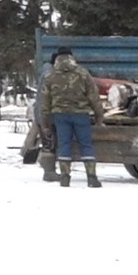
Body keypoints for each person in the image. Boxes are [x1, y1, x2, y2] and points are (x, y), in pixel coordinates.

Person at [37, 47, 103, 188]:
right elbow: (94, 97)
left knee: (64, 145)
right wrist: (99, 117)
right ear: (72, 57)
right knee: (86, 145)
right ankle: (92, 178)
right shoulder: (83, 74)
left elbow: (44, 103)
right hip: (81, 115)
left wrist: (45, 124)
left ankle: (65, 178)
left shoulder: (50, 76)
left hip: (60, 116)